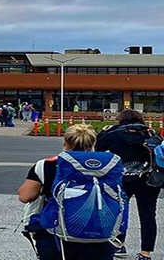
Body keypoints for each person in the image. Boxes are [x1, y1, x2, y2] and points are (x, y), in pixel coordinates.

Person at [18, 124, 117, 260]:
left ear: (65, 142)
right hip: (100, 233)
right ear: (93, 143)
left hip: (56, 235)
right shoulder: (109, 166)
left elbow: (25, 196)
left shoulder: (47, 165)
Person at [95, 110, 160, 260]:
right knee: (148, 215)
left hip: (121, 178)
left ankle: (119, 244)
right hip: (148, 179)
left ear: (121, 120)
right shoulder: (150, 134)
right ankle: (145, 253)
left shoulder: (113, 133)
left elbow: (96, 146)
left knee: (118, 211)